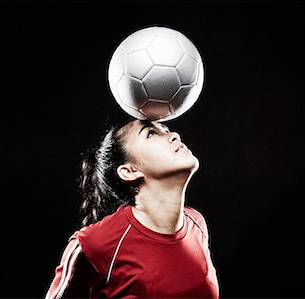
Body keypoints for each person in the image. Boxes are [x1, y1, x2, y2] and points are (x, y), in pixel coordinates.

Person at [45, 118, 219, 298]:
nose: (174, 135)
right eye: (151, 133)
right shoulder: (93, 245)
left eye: (166, 129)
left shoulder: (196, 223)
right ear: (129, 171)